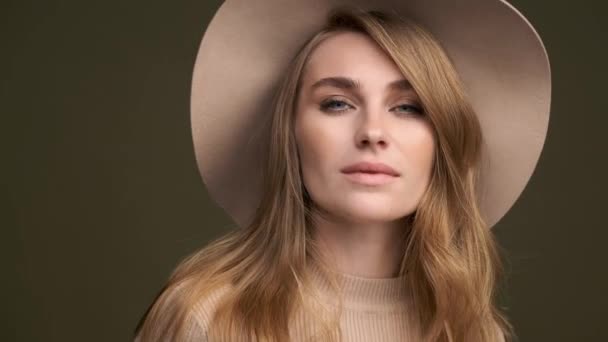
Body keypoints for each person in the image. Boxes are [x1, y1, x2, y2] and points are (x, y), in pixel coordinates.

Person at [135, 1, 551, 341]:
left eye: (408, 107)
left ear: (442, 139)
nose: (372, 132)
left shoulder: (473, 332)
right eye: (337, 103)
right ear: (291, 135)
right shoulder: (206, 319)